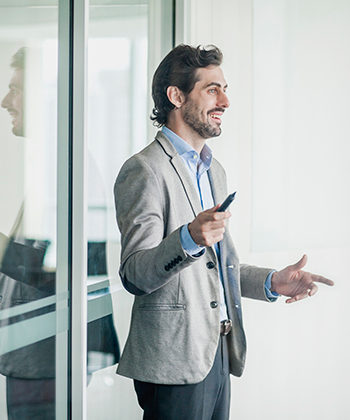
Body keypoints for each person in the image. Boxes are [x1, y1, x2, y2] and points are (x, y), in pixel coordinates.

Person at [113, 44, 334, 420]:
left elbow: (215, 269)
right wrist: (188, 238)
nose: (226, 101)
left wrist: (272, 282)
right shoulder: (144, 170)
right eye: (213, 89)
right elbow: (135, 273)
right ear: (176, 96)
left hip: (216, 353)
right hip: (173, 363)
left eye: (225, 88)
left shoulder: (213, 171)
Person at [0, 47, 120, 419]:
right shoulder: (57, 161)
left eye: (15, 89)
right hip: (38, 357)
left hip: (46, 360)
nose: (6, 101)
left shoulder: (66, 166)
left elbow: (59, 270)